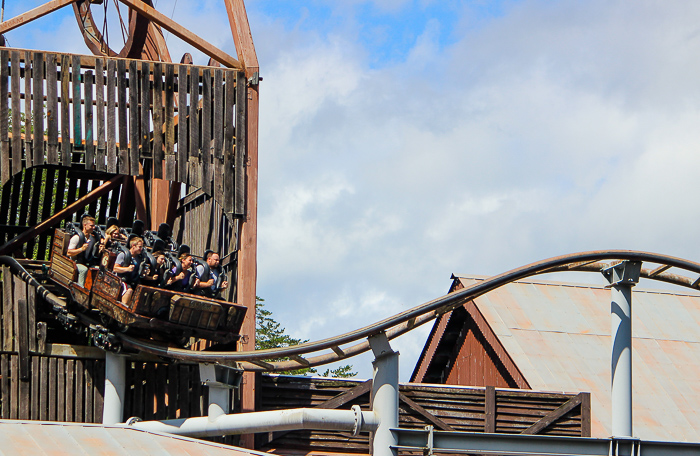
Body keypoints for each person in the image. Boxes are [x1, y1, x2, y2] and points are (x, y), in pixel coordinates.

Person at [66, 216, 98, 287]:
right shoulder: (77, 238)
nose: (93, 228)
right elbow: (69, 252)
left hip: (87, 262)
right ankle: (80, 289)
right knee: (83, 270)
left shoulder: (92, 239)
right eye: (91, 226)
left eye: (94, 226)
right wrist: (81, 249)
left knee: (99, 269)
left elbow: (93, 254)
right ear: (85, 225)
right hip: (75, 263)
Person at [113, 236, 145, 304]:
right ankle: (124, 307)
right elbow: (115, 268)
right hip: (121, 279)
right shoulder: (123, 255)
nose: (141, 249)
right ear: (133, 246)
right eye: (139, 247)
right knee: (129, 290)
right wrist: (127, 269)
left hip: (133, 280)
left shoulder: (139, 258)